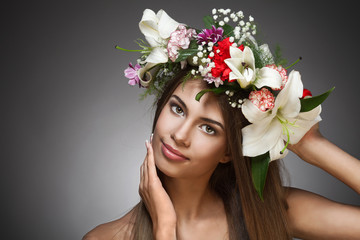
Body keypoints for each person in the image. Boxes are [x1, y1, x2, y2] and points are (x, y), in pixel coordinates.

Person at [83, 8, 360, 240]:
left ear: (229, 152)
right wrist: (164, 227)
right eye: (177, 109)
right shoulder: (107, 237)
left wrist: (314, 145)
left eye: (208, 128)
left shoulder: (270, 213)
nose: (179, 135)